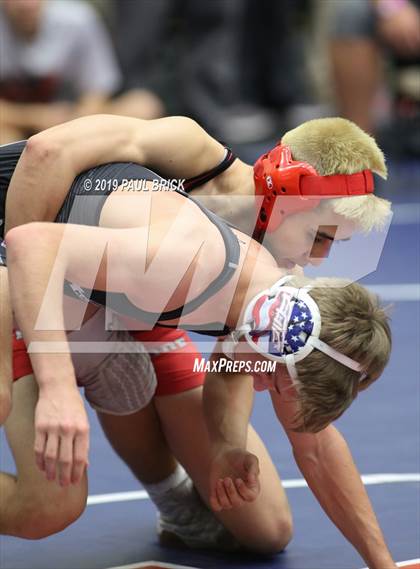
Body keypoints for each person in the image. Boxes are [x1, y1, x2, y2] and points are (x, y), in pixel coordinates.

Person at [0, 115, 396, 565]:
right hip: (39, 252)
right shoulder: (190, 161)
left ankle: (172, 500)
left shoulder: (281, 295)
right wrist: (53, 374)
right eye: (321, 236)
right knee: (46, 493)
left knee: (267, 528)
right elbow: (43, 167)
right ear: (286, 196)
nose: (319, 257)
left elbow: (308, 436)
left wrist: (381, 562)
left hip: (121, 290)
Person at [0, 0, 163, 144]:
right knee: (6, 138)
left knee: (143, 106)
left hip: (72, 120)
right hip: (17, 124)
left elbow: (97, 90)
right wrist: (36, 117)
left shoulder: (78, 19)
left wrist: (75, 121)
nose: (26, 3)